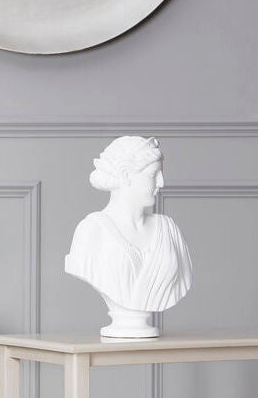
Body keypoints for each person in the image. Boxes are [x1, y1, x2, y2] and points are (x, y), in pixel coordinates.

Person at [65, 136, 193, 337]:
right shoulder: (92, 231)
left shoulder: (169, 229)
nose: (162, 182)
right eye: (153, 174)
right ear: (126, 175)